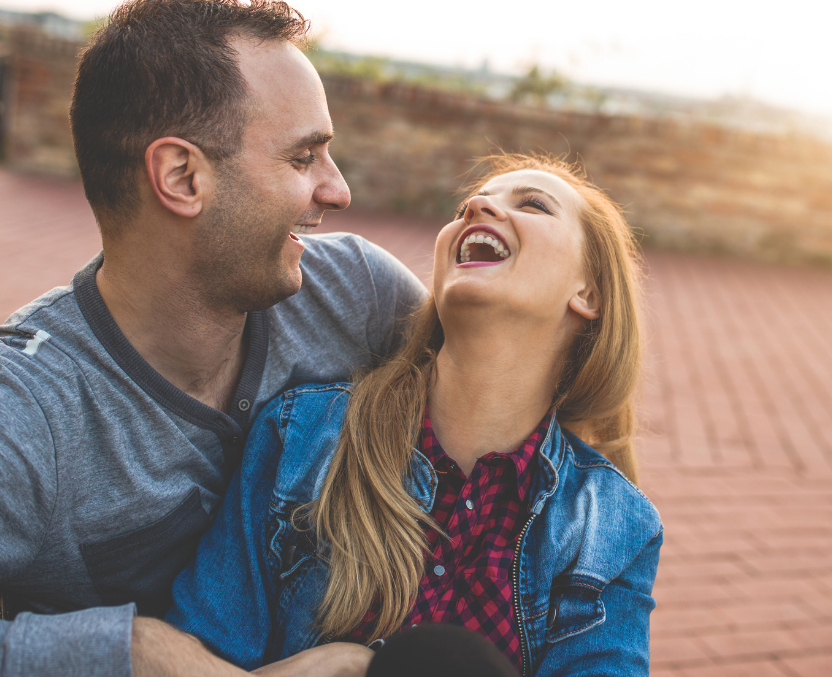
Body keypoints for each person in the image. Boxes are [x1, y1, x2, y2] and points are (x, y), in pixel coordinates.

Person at [0, 0, 424, 677]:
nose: (338, 189)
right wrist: (127, 653)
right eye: (303, 158)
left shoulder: (356, 292)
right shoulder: (17, 418)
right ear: (181, 176)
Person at [168, 154, 664, 676]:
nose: (477, 205)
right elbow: (193, 657)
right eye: (470, 203)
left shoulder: (613, 526)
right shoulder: (303, 435)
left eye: (533, 205)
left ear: (588, 294)